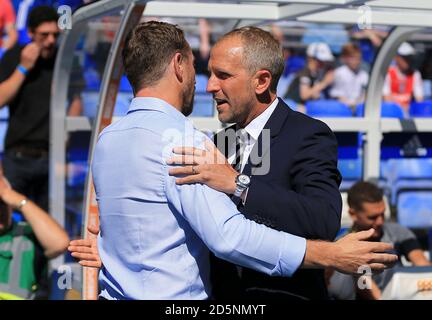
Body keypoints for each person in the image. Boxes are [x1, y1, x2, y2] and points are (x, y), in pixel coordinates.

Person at [69, 21, 397, 300]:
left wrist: (239, 185)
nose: (210, 86)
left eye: (223, 75)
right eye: (209, 73)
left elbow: (322, 221)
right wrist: (117, 249)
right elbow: (198, 230)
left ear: (262, 81)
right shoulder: (216, 141)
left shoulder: (307, 134)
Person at [0, 6, 82, 211]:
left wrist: (64, 139)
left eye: (55, 35)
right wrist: (23, 67)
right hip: (17, 157)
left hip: (51, 158)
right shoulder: (13, 56)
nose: (51, 41)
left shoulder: (65, 58)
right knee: (11, 222)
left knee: (50, 224)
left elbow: (77, 100)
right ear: (30, 33)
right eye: (44, 35)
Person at [327, 181, 431, 300]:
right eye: (373, 217)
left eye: (382, 214)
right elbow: (363, 285)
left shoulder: (397, 232)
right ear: (353, 214)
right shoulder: (340, 247)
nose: (380, 221)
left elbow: (422, 265)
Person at [0, 176, 69, 300]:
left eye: (2, 203)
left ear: (11, 204)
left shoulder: (25, 235)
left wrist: (20, 200)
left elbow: (60, 243)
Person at [284, 42, 335, 112]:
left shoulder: (316, 73)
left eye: (324, 61)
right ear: (310, 58)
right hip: (291, 106)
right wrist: (324, 83)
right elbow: (304, 95)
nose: (323, 63)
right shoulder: (305, 73)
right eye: (319, 60)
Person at [383, 42, 424, 114]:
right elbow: (387, 99)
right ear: (397, 57)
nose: (409, 60)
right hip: (391, 114)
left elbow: (419, 100)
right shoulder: (388, 73)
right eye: (405, 57)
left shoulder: (415, 74)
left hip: (409, 114)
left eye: (410, 57)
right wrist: (401, 109)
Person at [329, 43, 369, 114]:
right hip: (342, 108)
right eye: (353, 58)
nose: (356, 61)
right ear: (345, 58)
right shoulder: (339, 73)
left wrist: (358, 104)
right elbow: (338, 95)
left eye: (358, 58)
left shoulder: (364, 75)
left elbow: (365, 95)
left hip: (359, 108)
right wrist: (351, 105)